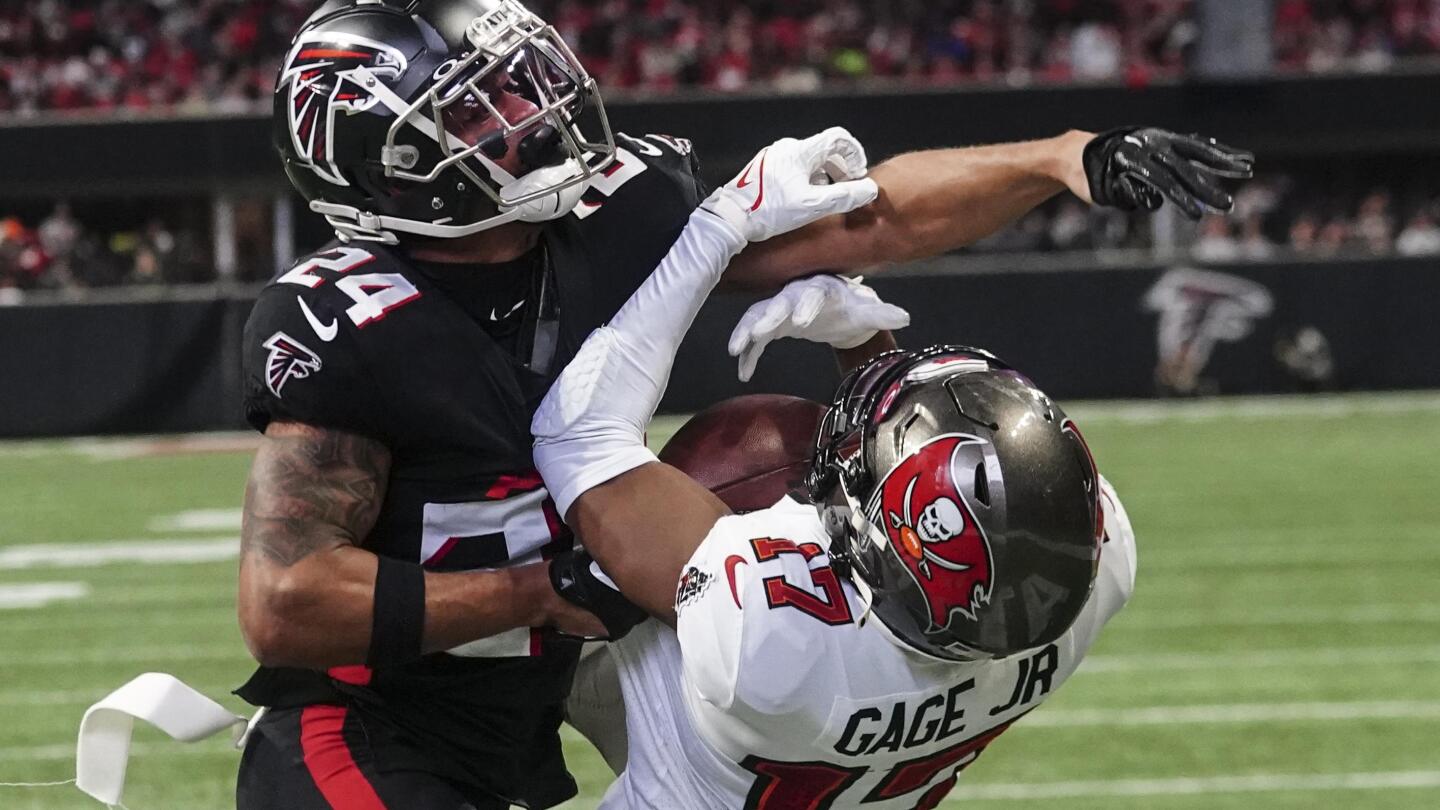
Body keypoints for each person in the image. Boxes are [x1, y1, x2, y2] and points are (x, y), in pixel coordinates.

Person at [235, 1, 1242, 807]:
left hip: (556, 683)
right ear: (387, 167)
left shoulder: (614, 214)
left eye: (520, 85)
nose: (530, 116)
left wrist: (1060, 158)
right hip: (378, 722)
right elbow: (284, 603)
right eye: (475, 113)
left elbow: (871, 221)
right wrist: (534, 593)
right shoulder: (351, 325)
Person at [530, 130, 1136, 809]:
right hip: (827, 763)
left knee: (556, 548)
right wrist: (865, 346)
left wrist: (721, 225)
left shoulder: (766, 639)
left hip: (700, 765)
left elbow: (576, 433)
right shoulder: (1081, 580)